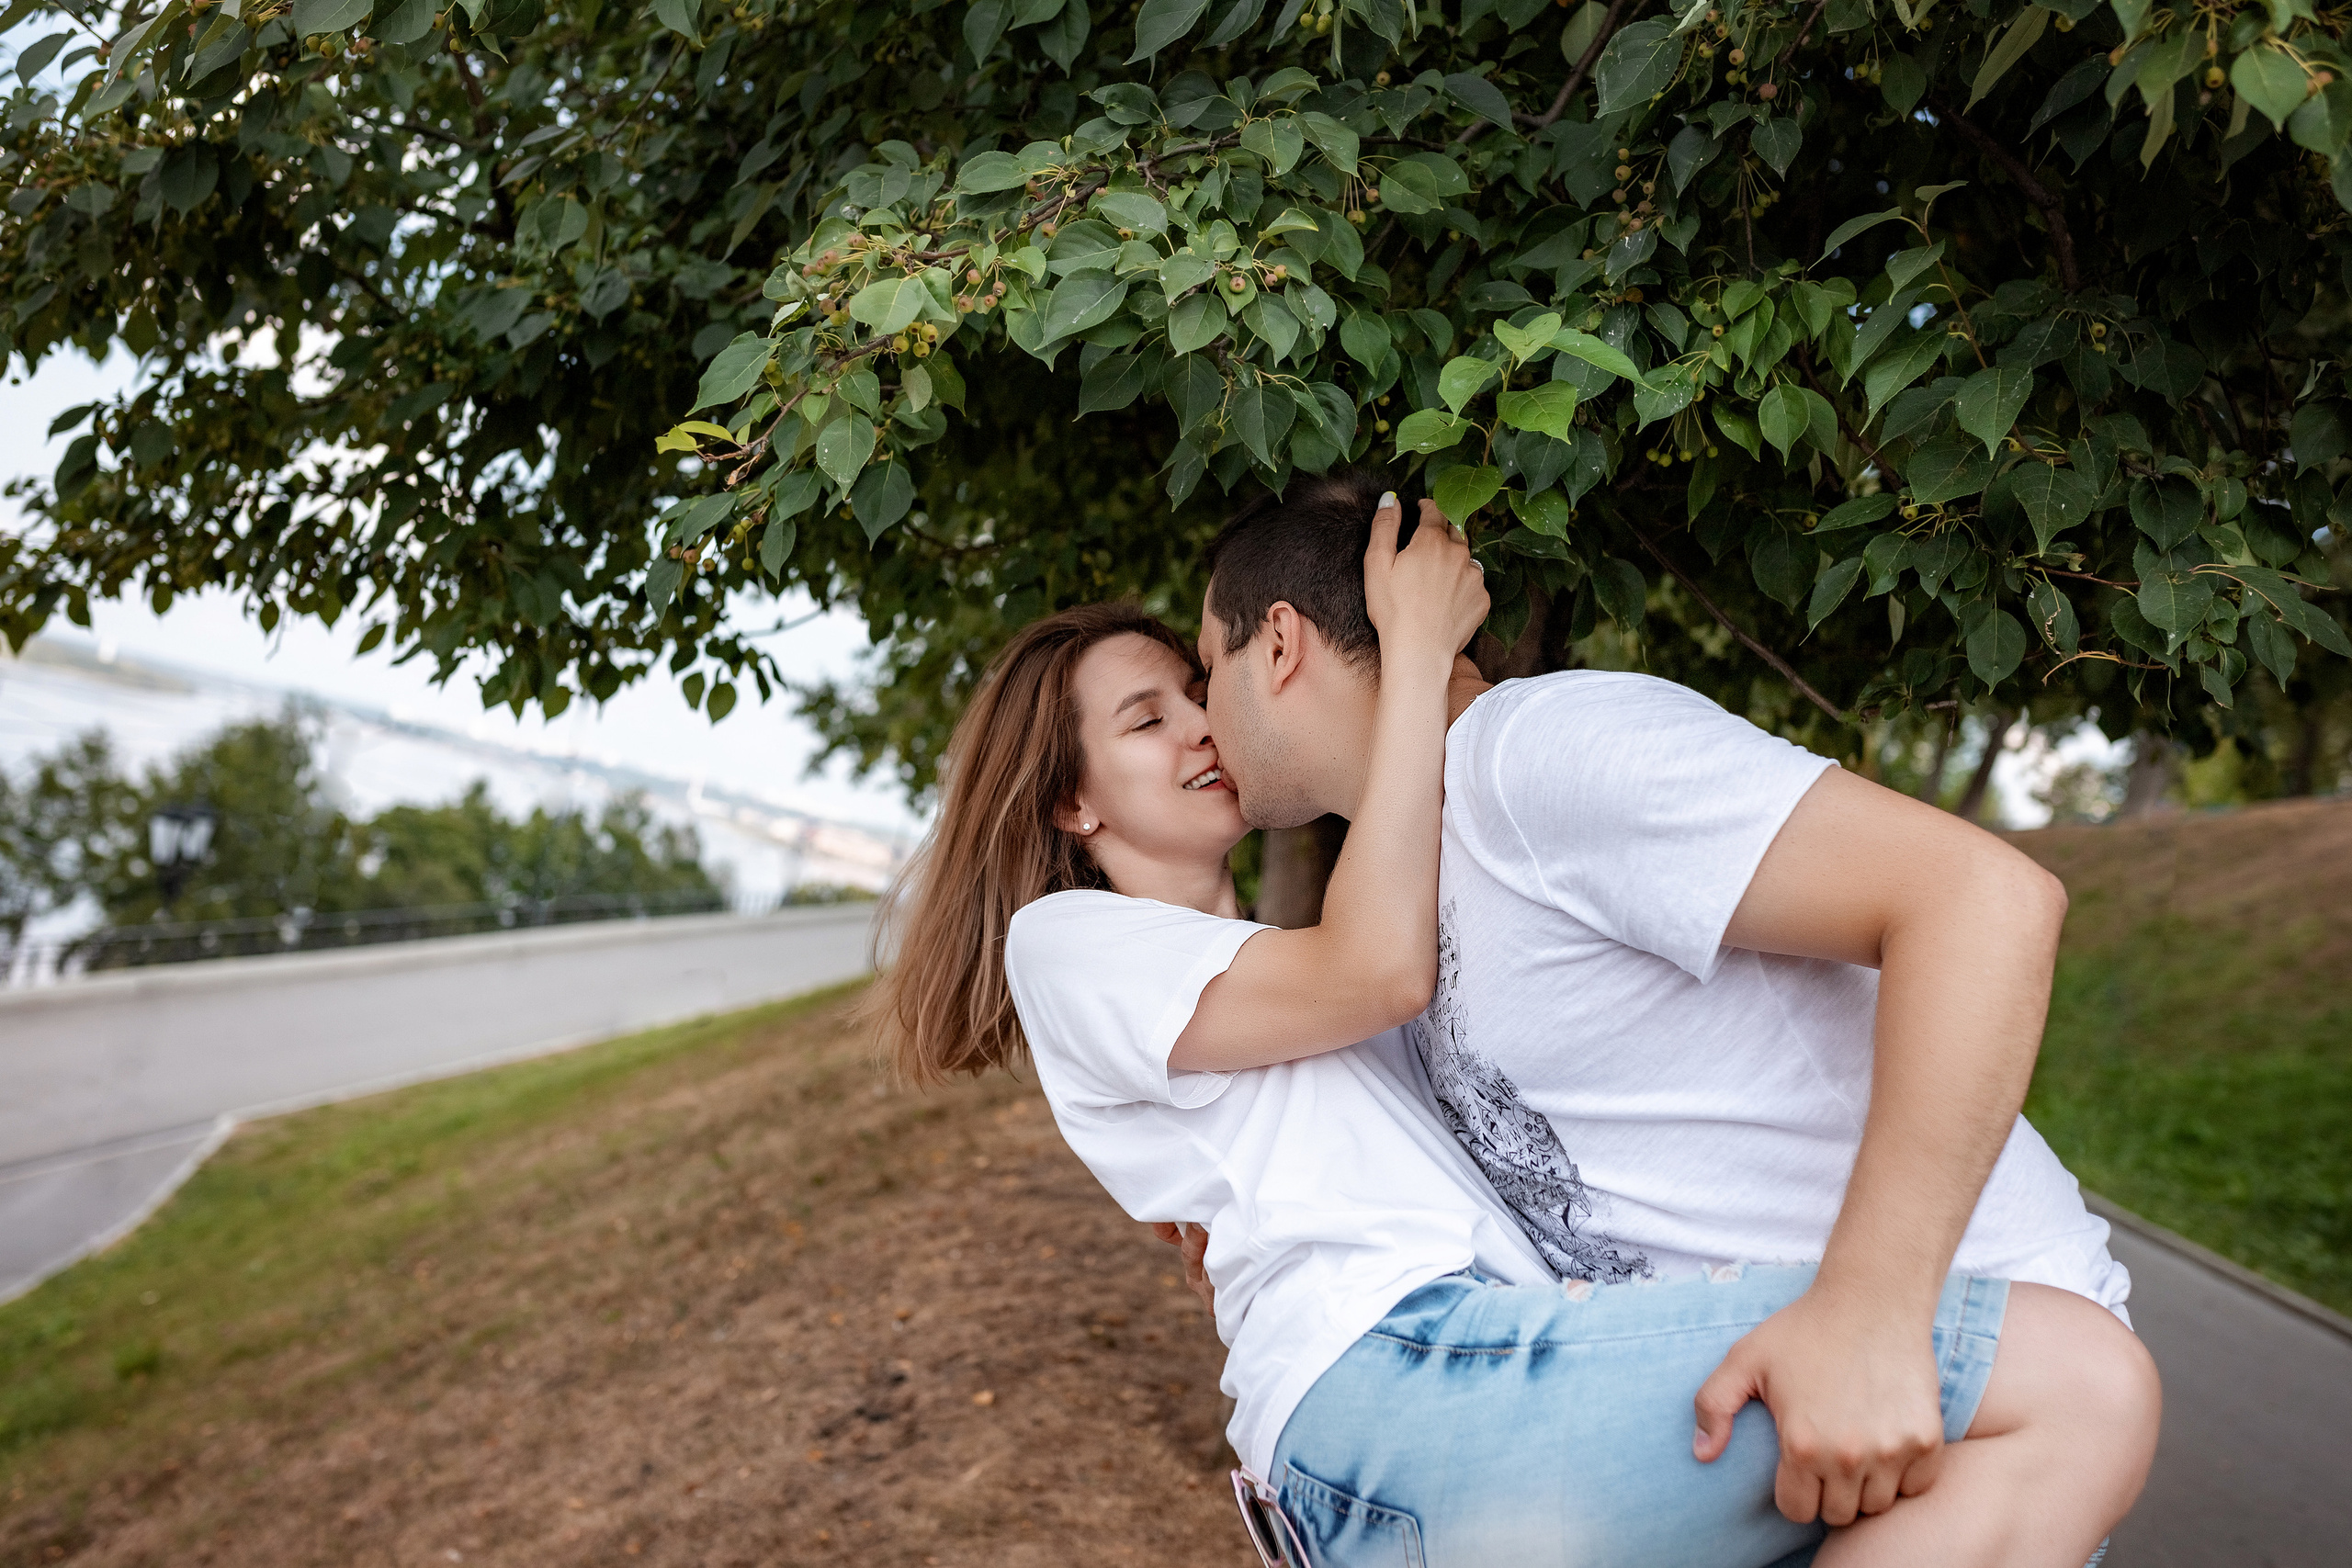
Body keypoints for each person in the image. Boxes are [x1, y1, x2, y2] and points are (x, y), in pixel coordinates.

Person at [867, 494, 2157, 1566]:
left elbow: (1982, 900)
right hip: (1597, 1395)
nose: (1203, 720)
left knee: (2084, 1386)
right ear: (1071, 803)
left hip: (1893, 1360)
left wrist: (1873, 1313)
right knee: (2085, 1388)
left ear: (1281, 646)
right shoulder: (1320, 923)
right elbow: (1350, 1019)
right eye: (1157, 711)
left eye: (1200, 676)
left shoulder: (1535, 758)